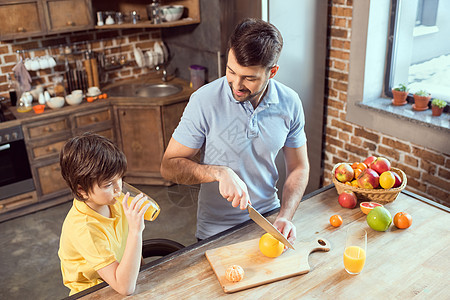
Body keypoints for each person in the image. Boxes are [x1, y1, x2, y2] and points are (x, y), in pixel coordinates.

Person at [160, 18, 310, 242]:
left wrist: (285, 216)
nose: (237, 85)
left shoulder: (290, 103)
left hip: (268, 220)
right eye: (231, 71)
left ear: (273, 71)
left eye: (249, 78)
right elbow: (168, 167)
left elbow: (299, 167)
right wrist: (218, 173)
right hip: (214, 231)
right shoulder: (204, 100)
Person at [58, 133, 151, 296]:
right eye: (108, 184)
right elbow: (125, 288)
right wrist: (136, 232)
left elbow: (127, 249)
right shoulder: (84, 228)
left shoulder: (115, 201)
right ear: (82, 190)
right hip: (93, 292)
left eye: (120, 178)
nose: (118, 189)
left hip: (120, 277)